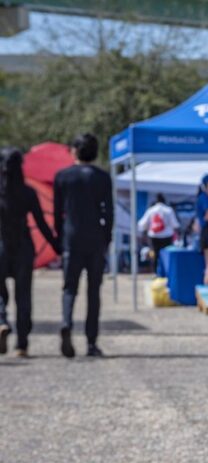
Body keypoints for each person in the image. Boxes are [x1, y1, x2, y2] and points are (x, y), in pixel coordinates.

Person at [54, 133, 113, 359]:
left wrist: (59, 239)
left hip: (71, 237)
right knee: (93, 292)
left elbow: (58, 214)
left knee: (69, 288)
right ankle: (91, 341)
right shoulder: (102, 178)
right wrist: (106, 239)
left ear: (75, 150)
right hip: (95, 238)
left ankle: (67, 322)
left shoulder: (63, 177)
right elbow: (108, 213)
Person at [0, 148, 60, 357]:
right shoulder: (28, 192)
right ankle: (22, 344)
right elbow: (42, 224)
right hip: (24, 248)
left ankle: (1, 321)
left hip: (1, 248)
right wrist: (56, 245)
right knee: (23, 296)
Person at [136, 193, 179, 268]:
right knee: (166, 254)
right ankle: (166, 271)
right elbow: (175, 224)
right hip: (167, 236)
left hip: (154, 237)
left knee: (155, 254)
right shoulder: (168, 210)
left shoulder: (151, 210)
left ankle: (156, 272)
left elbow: (142, 224)